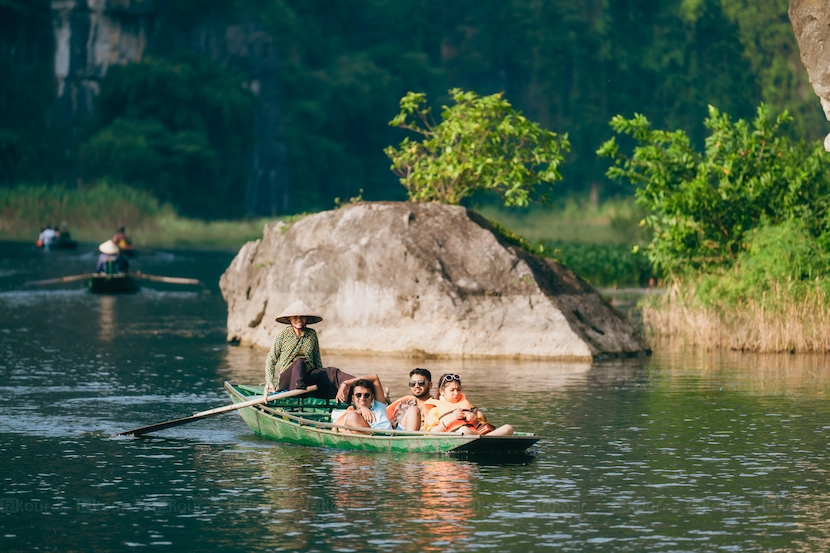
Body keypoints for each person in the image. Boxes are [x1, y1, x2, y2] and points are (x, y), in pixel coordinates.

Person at [264, 300, 354, 399]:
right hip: (288, 380)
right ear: (289, 318)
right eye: (295, 317)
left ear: (307, 318)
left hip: (307, 378)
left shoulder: (312, 334)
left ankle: (357, 385)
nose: (299, 320)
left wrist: (323, 376)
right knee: (300, 362)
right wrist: (269, 382)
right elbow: (271, 359)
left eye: (302, 317)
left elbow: (317, 360)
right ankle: (299, 390)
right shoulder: (282, 334)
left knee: (331, 372)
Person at [424, 373, 514, 436]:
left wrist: (476, 422)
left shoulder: (469, 407)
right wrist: (451, 419)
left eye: (458, 390)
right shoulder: (435, 410)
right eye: (452, 390)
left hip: (477, 435)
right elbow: (430, 433)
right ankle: (483, 442)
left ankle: (483, 442)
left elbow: (483, 428)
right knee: (464, 430)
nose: (456, 393)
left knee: (508, 428)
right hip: (459, 436)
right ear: (442, 391)